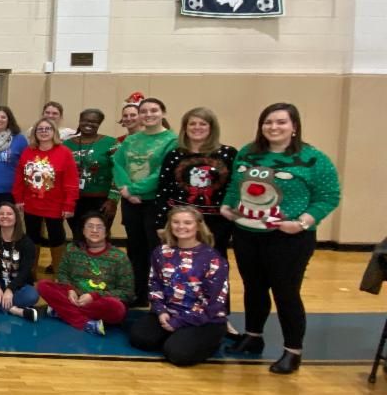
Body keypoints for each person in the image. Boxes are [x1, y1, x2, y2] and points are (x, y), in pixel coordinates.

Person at [221, 103, 341, 375]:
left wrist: (302, 223)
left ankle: (292, 351)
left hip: (289, 238)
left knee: (286, 293)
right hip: (247, 233)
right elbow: (234, 186)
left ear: (294, 126)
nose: (273, 127)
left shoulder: (313, 158)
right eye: (268, 122)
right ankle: (253, 336)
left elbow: (328, 197)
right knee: (253, 288)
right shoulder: (248, 153)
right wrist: (227, 206)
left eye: (281, 122)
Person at [129, 206, 230, 367]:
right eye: (176, 222)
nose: (181, 226)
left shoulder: (213, 258)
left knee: (178, 355)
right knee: (140, 338)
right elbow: (155, 284)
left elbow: (214, 302)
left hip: (203, 318)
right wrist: (160, 311)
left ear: (198, 226)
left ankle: (206, 339)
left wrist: (179, 322)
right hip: (169, 312)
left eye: (187, 222)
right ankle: (176, 336)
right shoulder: (161, 252)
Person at [113, 97, 177, 305]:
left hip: (154, 203)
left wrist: (134, 189)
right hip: (130, 201)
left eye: (154, 110)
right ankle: (138, 294)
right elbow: (118, 164)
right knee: (135, 249)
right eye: (144, 111)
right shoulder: (131, 140)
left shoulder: (172, 140)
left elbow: (162, 173)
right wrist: (126, 191)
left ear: (163, 113)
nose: (149, 114)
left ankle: (158, 295)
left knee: (155, 249)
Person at [154, 108, 237, 254]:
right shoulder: (174, 155)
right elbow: (163, 190)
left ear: (211, 128)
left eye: (203, 124)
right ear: (185, 128)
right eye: (192, 124)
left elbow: (234, 187)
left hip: (217, 222)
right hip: (180, 222)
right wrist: (161, 223)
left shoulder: (228, 154)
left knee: (215, 262)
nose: (197, 127)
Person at [37, 212, 134, 336]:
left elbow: (127, 292)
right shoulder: (72, 249)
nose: (94, 230)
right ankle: (85, 323)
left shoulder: (119, 257)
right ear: (83, 230)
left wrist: (94, 296)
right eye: (90, 226)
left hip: (100, 301)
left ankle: (63, 311)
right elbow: (62, 274)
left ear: (106, 231)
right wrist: (70, 289)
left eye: (99, 227)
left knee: (117, 309)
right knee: (43, 285)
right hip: (74, 298)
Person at [13, 117, 78, 274]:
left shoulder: (65, 153)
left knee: (57, 237)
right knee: (32, 236)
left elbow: (71, 182)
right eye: (39, 129)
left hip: (55, 205)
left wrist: (69, 205)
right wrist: (19, 199)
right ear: (35, 133)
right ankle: (30, 271)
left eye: (47, 129)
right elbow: (19, 178)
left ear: (54, 132)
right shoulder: (28, 152)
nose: (43, 132)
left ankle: (59, 272)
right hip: (31, 204)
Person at [66, 109, 118, 239]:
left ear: (99, 124)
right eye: (85, 120)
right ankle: (80, 259)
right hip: (74, 200)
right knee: (78, 235)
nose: (89, 124)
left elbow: (119, 172)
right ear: (80, 121)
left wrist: (113, 200)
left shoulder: (111, 143)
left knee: (98, 237)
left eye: (94, 122)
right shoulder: (67, 144)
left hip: (101, 201)